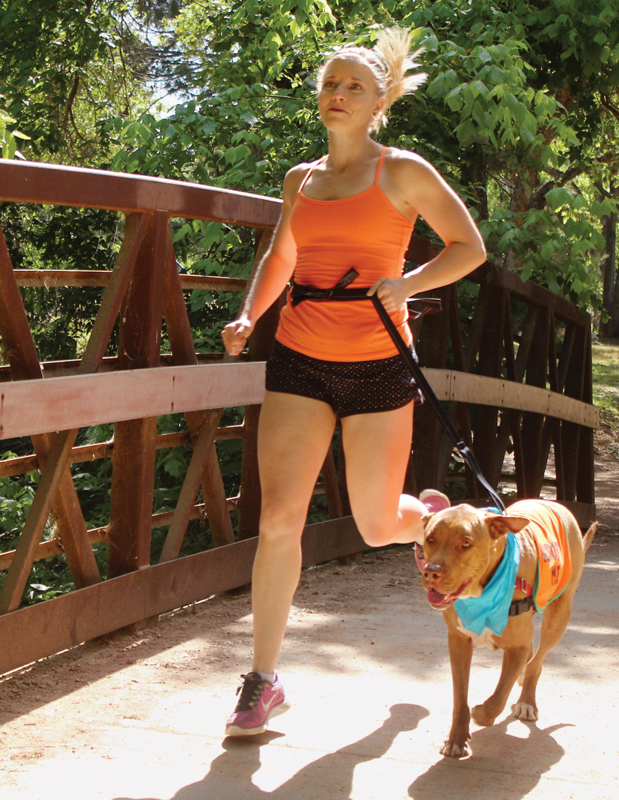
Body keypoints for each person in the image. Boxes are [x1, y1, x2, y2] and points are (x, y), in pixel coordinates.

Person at [221, 28, 486, 737]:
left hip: (376, 361)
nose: (337, 96)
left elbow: (470, 248)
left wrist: (410, 283)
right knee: (280, 519)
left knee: (375, 524)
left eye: (353, 88)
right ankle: (261, 681)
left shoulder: (402, 172)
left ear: (380, 104)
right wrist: (251, 313)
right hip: (300, 359)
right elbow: (284, 256)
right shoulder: (299, 181)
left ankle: (424, 521)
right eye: (330, 86)